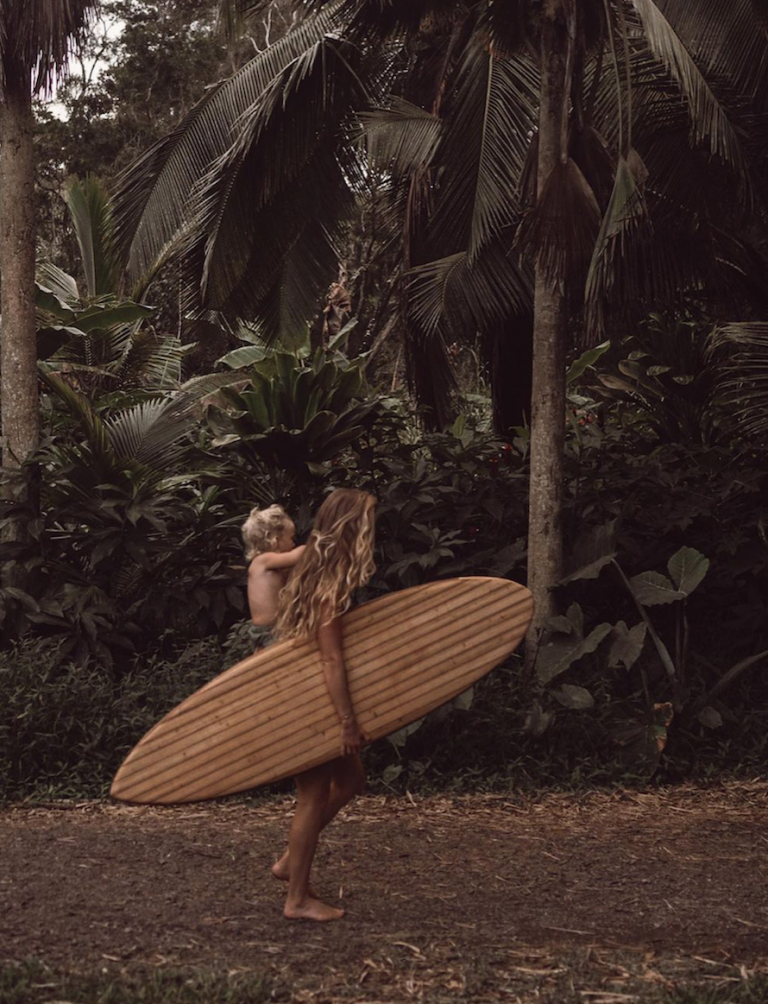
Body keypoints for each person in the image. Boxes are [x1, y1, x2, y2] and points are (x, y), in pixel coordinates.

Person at [271, 488, 376, 922]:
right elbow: (331, 658)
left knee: (350, 781)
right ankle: (296, 899)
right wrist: (347, 722)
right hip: (309, 704)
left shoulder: (312, 572)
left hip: (304, 694)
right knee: (313, 794)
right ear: (352, 527)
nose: (374, 529)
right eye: (369, 521)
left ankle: (287, 862)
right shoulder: (329, 587)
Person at [241, 504, 305, 634]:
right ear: (275, 541)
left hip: (277, 626)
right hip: (267, 630)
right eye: (291, 538)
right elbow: (297, 556)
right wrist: (316, 544)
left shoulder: (274, 565)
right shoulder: (262, 561)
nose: (294, 543)